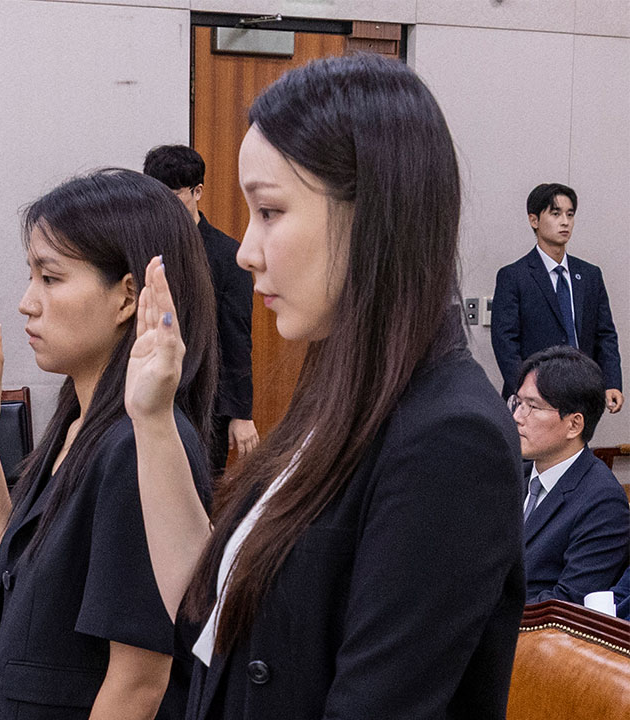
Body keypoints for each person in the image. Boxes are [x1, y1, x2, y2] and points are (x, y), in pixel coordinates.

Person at [130, 54, 524, 719]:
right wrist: (152, 418)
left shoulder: (451, 438)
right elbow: (209, 616)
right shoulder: (336, 399)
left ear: (372, 214)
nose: (246, 250)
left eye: (270, 211)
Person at [0, 169, 217, 720]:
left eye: (50, 278)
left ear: (127, 297)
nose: (27, 303)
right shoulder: (78, 423)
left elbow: (139, 683)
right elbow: (8, 578)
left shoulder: (138, 446)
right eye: (31, 276)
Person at [143, 144, 257, 474]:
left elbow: (236, 338)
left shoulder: (227, 255)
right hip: (149, 394)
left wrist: (241, 413)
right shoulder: (140, 247)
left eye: (174, 196)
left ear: (198, 191)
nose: (164, 207)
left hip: (205, 403)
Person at [512, 346, 630, 604]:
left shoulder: (602, 501)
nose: (517, 417)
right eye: (518, 403)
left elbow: (568, 603)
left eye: (532, 406)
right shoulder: (512, 477)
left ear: (574, 424)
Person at [491, 183, 622, 411]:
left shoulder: (590, 275)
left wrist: (612, 382)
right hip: (534, 397)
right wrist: (524, 390)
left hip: (581, 393)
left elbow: (605, 335)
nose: (565, 222)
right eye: (555, 213)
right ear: (534, 220)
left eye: (570, 214)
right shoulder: (514, 276)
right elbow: (505, 341)